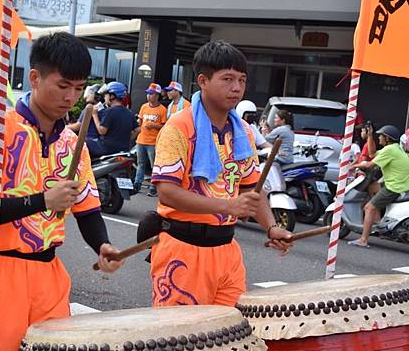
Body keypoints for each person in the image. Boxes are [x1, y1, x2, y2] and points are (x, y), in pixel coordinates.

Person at [0, 32, 124, 351]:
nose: (71, 97)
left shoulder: (74, 145)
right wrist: (43, 201)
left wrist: (102, 244)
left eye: (78, 87)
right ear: (34, 77)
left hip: (49, 276)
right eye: (63, 86)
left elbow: (87, 210)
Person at [150, 40, 292, 307]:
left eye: (241, 79)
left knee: (229, 337)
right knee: (182, 339)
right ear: (203, 80)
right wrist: (228, 205)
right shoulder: (179, 127)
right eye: (227, 79)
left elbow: (251, 190)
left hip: (227, 251)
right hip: (183, 249)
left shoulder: (244, 132)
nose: (237, 87)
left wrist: (272, 228)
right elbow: (167, 193)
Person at [349, 125, 409, 248]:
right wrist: (370, 136)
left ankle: (363, 239)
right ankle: (377, 224)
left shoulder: (390, 150)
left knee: (369, 207)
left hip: (394, 187)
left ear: (387, 138)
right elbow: (372, 154)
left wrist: (353, 166)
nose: (379, 138)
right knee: (372, 189)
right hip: (399, 184)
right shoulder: (395, 148)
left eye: (381, 136)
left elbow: (370, 164)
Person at [88, 81, 139, 158]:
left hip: (106, 148)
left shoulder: (109, 111)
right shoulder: (129, 112)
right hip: (123, 148)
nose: (105, 97)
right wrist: (125, 139)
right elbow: (138, 129)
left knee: (84, 141)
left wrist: (94, 115)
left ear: (112, 96)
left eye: (106, 95)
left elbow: (102, 131)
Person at [133, 83, 167, 196]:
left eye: (151, 94)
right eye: (148, 93)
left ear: (157, 95)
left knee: (154, 166)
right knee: (140, 164)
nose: (148, 96)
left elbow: (165, 126)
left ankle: (153, 187)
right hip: (141, 140)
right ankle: (137, 184)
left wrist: (154, 126)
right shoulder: (144, 107)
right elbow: (140, 122)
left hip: (153, 142)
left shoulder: (162, 110)